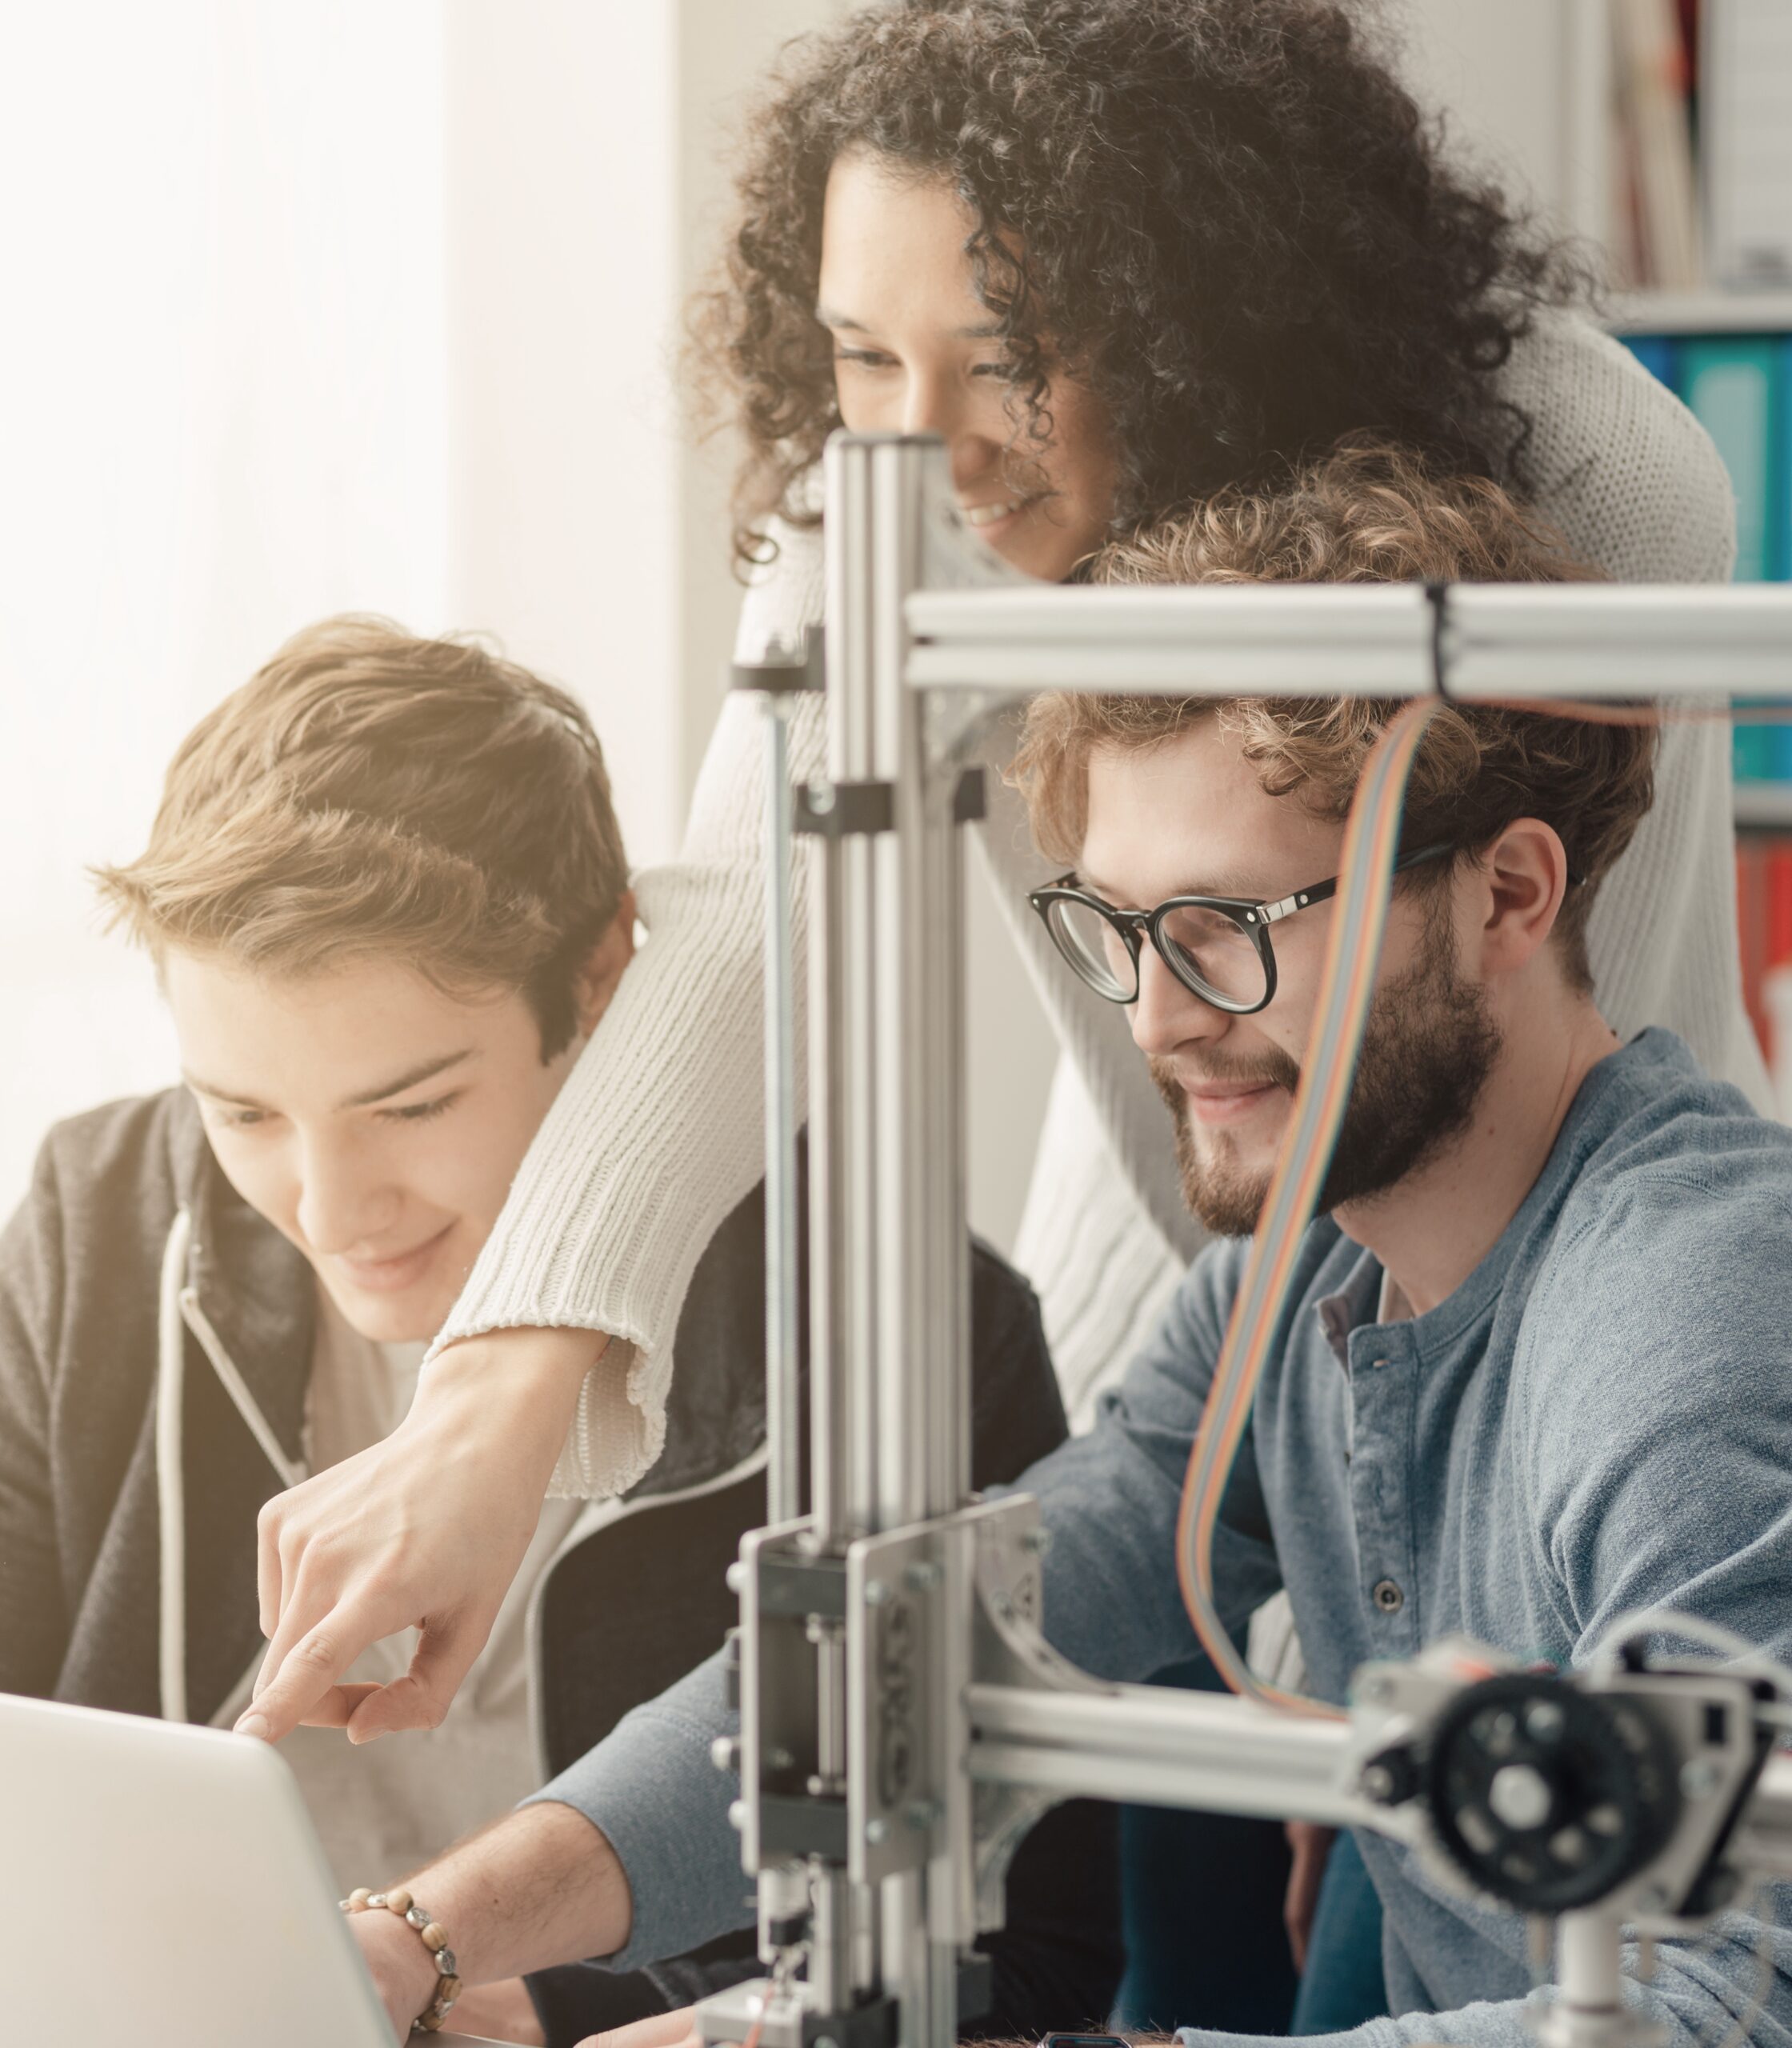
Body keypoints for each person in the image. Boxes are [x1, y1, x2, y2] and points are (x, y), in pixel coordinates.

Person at [235, 0, 1761, 1785]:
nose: (926, 450)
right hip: (1188, 1265)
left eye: (1009, 354)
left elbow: (1548, 1032)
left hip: (1539, 1329)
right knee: (1080, 1810)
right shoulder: (882, 497)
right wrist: (488, 1410)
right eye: (861, 357)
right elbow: (748, 907)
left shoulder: (1576, 464)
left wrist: (1405, 1567)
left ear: (1211, 313)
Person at [333, 446, 1792, 2048]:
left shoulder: (1685, 1318)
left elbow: (1721, 2003)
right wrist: (423, 1931)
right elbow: (926, 1662)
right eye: (1119, 926)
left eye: (1229, 925)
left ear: (1507, 893)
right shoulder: (1288, 1288)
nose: (1158, 1016)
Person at [0, 617, 1119, 2044]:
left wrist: (555, 2014)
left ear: (608, 978)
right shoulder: (105, 1226)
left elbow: (1027, 1954)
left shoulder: (889, 1316)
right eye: (243, 1112)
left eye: (413, 1104)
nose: (326, 1207)